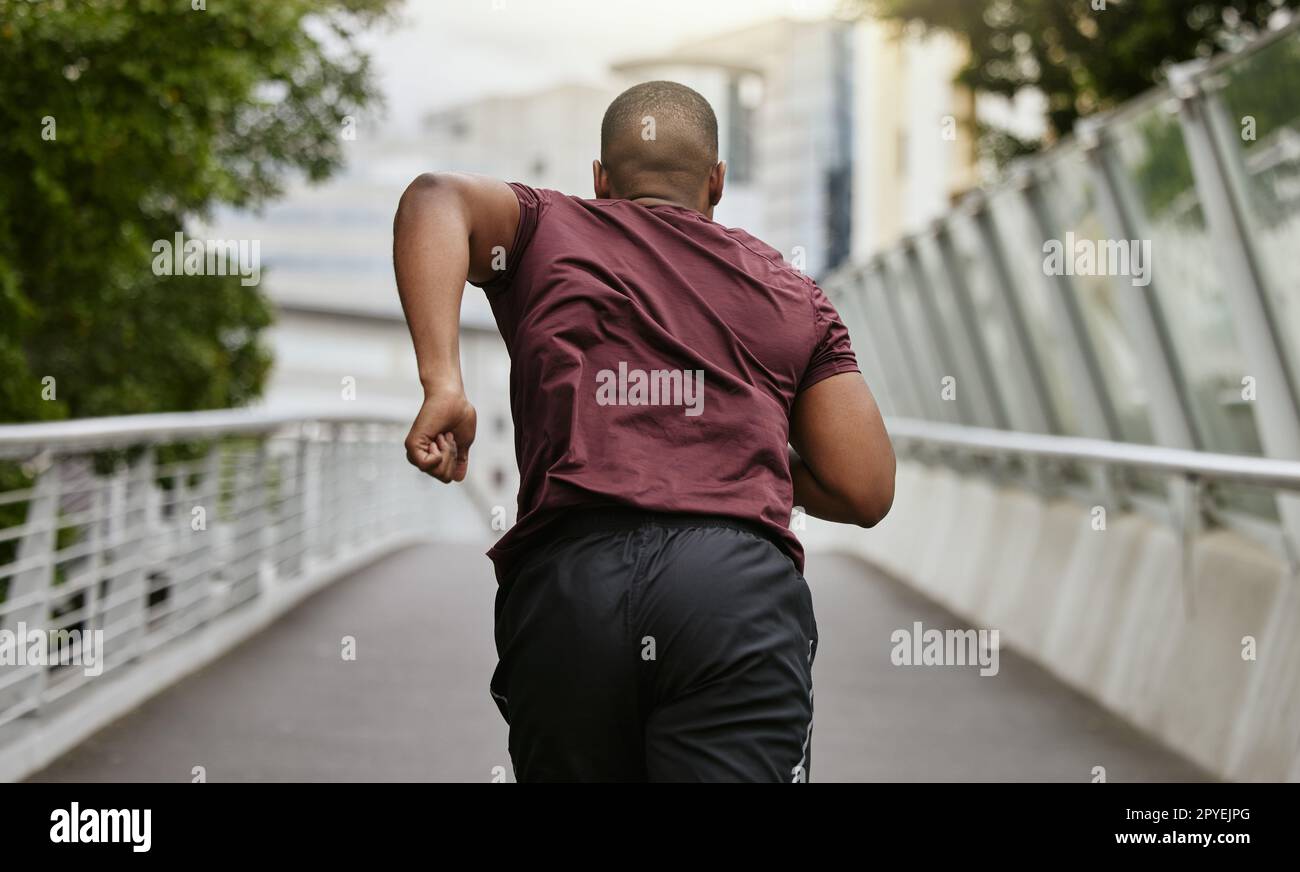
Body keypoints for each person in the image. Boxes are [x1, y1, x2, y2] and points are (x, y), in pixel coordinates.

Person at [392, 81, 895, 782]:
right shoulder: (792, 292)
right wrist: (741, 452)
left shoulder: (546, 230)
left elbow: (433, 197)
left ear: (600, 180)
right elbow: (864, 486)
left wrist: (443, 381)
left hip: (571, 589)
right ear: (716, 182)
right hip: (732, 595)